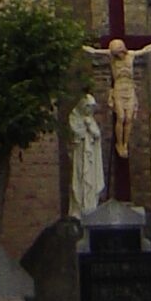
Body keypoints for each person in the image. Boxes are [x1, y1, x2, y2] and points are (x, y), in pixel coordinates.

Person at [68, 91, 105, 220]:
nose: (90, 110)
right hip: (80, 154)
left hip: (91, 157)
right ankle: (79, 207)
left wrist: (90, 126)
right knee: (79, 179)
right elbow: (76, 134)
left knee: (90, 179)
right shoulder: (75, 117)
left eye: (92, 108)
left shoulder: (91, 120)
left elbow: (97, 134)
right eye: (88, 107)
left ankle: (90, 205)